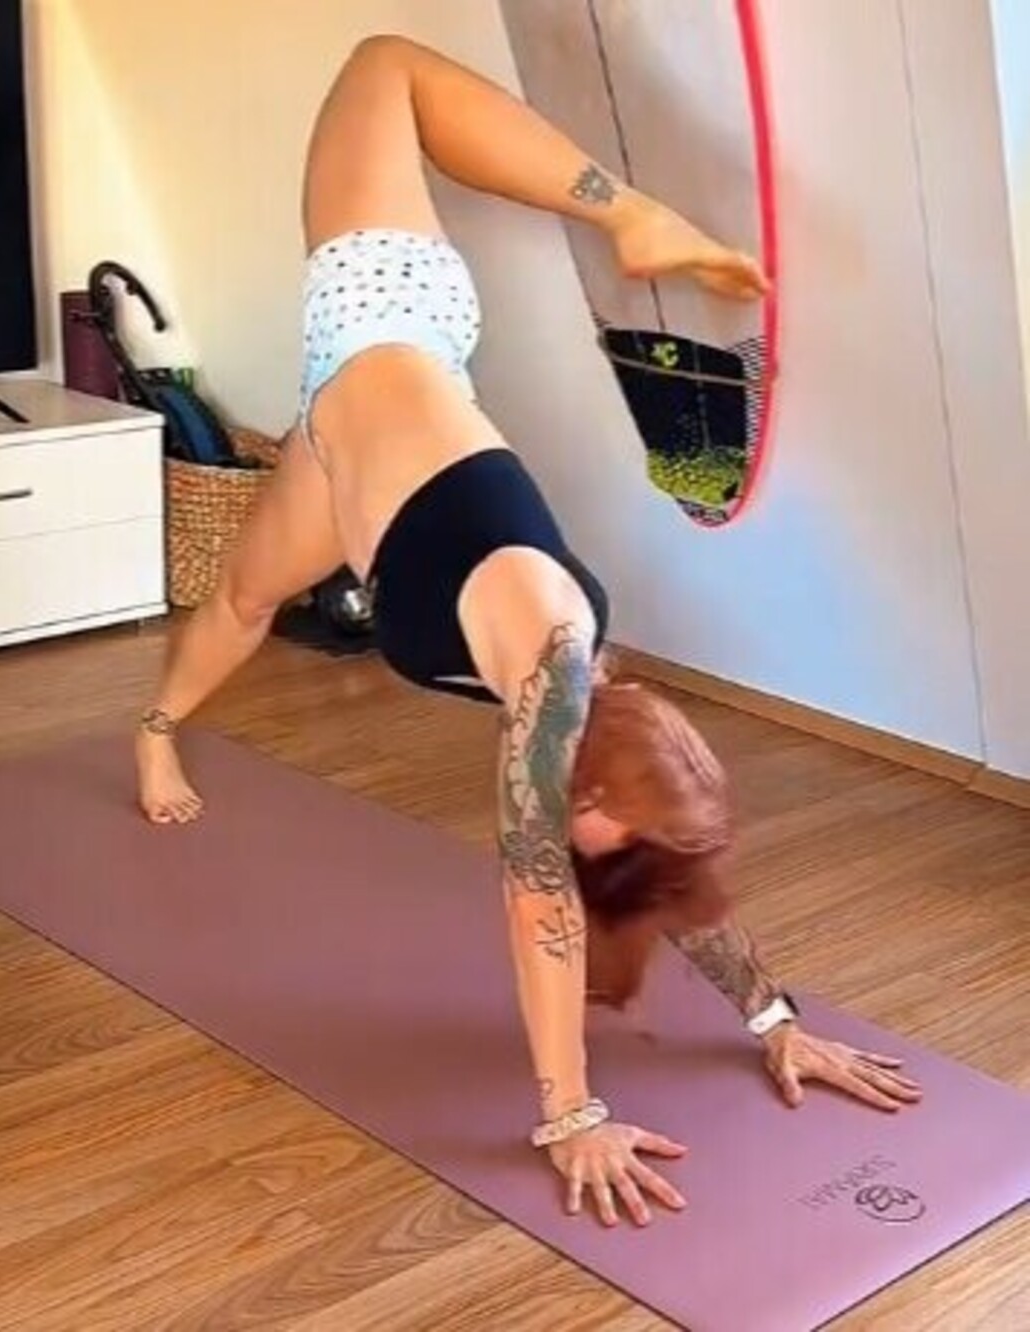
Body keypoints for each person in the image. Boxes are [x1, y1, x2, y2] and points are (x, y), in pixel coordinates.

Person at [135, 35, 920, 1229]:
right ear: (588, 783)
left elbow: (654, 869)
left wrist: (775, 1020)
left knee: (244, 598)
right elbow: (537, 902)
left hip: (352, 446)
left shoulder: (599, 729)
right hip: (384, 322)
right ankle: (629, 212)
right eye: (608, 833)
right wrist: (571, 1114)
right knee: (381, 68)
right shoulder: (554, 684)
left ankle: (157, 724)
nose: (587, 848)